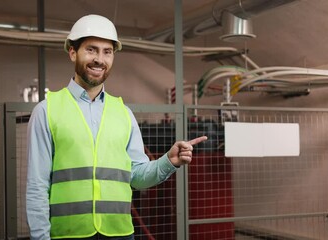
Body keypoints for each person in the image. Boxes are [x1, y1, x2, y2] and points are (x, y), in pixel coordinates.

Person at [26, 14, 207, 240]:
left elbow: (137, 176)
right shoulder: (46, 111)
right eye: (91, 49)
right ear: (73, 52)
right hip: (68, 235)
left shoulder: (124, 114)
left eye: (107, 51)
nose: (99, 59)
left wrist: (168, 162)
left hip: (120, 233)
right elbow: (37, 187)